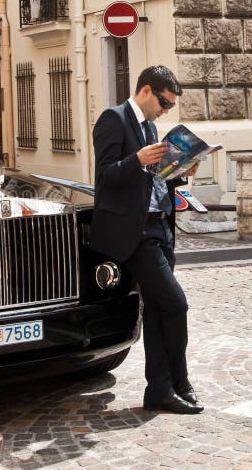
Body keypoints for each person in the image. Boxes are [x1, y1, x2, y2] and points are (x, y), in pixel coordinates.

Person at [90, 65, 203, 415]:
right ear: (146, 91)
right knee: (176, 304)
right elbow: (106, 176)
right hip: (135, 234)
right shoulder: (114, 119)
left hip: (160, 227)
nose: (166, 111)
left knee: (157, 310)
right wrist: (136, 160)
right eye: (165, 103)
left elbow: (155, 181)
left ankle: (159, 390)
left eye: (170, 107)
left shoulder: (151, 127)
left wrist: (180, 173)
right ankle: (180, 381)